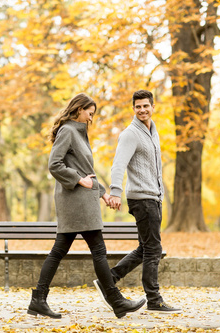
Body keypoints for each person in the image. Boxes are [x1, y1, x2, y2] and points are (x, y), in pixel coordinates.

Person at [27, 93, 146, 319]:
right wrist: (79, 180)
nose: (91, 118)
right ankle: (116, 300)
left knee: (60, 251)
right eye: (89, 113)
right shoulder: (68, 131)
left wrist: (104, 194)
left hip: (82, 201)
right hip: (76, 202)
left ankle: (38, 300)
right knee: (97, 251)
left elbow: (86, 172)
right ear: (79, 109)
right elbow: (55, 164)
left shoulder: (78, 133)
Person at [94, 89, 181, 313]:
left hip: (153, 196)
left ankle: (109, 280)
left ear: (153, 107)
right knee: (153, 249)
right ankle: (154, 299)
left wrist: (160, 193)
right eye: (138, 106)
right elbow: (118, 165)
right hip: (142, 199)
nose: (142, 110)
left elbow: (156, 168)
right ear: (133, 109)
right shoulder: (130, 134)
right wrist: (114, 191)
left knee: (145, 248)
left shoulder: (153, 132)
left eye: (145, 106)